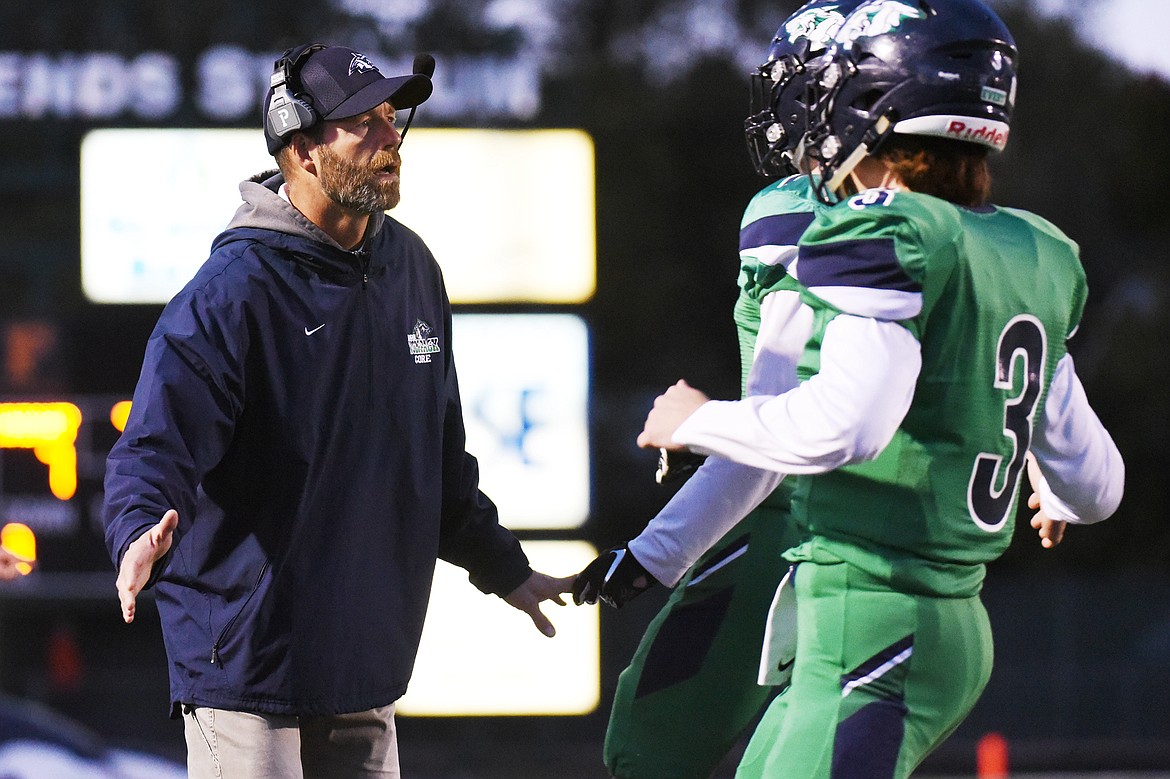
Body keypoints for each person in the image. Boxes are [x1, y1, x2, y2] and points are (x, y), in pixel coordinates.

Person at [619, 0, 1125, 776]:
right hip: (936, 619)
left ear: (880, 105)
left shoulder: (885, 229)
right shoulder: (1027, 248)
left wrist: (699, 421)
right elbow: (1096, 485)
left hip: (875, 619)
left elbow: (844, 426)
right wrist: (1052, 487)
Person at [102, 43, 573, 778]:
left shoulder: (414, 268)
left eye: (393, 118)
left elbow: (436, 463)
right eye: (365, 124)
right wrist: (136, 531)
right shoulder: (232, 293)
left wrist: (503, 566)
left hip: (362, 667)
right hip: (246, 668)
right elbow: (153, 449)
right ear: (302, 149)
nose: (392, 139)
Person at [576, 4, 861, 778]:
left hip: (800, 537)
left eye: (806, 87)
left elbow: (769, 443)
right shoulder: (975, 232)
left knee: (651, 746)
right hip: (926, 565)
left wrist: (650, 551)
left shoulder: (796, 219)